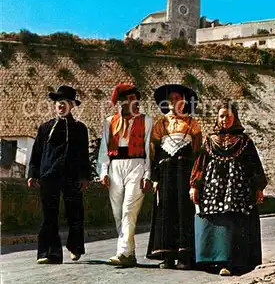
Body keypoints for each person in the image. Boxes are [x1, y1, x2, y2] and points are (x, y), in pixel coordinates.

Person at [190, 102, 267, 276]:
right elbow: (200, 165)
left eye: (229, 116)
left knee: (234, 222)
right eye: (222, 116)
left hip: (237, 188)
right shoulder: (210, 140)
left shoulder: (245, 141)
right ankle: (213, 261)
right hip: (213, 188)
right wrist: (194, 186)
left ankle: (233, 262)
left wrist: (258, 188)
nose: (225, 119)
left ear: (235, 117)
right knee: (216, 221)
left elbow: (254, 166)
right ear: (217, 118)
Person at [27, 85, 90, 264]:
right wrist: (33, 173)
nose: (61, 106)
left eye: (65, 103)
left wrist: (85, 176)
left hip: (72, 177)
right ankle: (49, 253)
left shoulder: (79, 128)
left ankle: (75, 246)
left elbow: (84, 155)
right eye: (58, 103)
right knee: (49, 215)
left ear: (72, 105)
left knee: (75, 213)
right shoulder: (45, 128)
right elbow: (36, 152)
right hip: (49, 175)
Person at [146, 84, 202, 270]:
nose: (174, 102)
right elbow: (153, 152)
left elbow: (196, 151)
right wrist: (154, 177)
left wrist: (195, 177)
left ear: (184, 102)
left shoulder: (191, 123)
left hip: (184, 171)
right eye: (171, 99)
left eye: (178, 98)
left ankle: (185, 256)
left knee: (183, 209)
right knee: (166, 210)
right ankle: (167, 255)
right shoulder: (160, 124)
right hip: (165, 172)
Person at [97, 83, 153, 267]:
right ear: (122, 102)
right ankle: (129, 254)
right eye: (131, 99)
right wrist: (103, 171)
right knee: (117, 213)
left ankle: (122, 252)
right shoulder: (109, 121)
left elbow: (147, 150)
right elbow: (104, 148)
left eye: (136, 98)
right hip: (115, 167)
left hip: (136, 165)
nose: (135, 102)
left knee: (129, 209)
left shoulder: (147, 121)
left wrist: (147, 175)